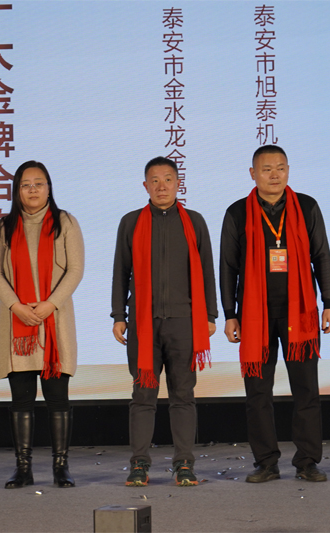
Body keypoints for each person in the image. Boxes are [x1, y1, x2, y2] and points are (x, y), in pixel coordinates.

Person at [220, 144, 330, 483]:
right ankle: (266, 463)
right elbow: (228, 267)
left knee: (306, 390)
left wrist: (329, 303)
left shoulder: (307, 206)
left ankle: (307, 462)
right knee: (258, 394)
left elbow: (322, 256)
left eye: (281, 168)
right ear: (252, 173)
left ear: (288, 170)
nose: (275, 175)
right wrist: (230, 314)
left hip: (300, 312)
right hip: (255, 315)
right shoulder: (237, 212)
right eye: (267, 169)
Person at [111, 156, 218, 487]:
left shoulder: (194, 221)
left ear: (178, 183)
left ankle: (184, 463)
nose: (161, 186)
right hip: (143, 323)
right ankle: (139, 464)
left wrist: (210, 315)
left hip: (184, 322)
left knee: (183, 395)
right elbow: (120, 272)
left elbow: (206, 270)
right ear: (145, 186)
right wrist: (119, 315)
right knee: (143, 396)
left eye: (168, 179)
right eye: (154, 181)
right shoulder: (131, 222)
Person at [0, 160, 84, 489]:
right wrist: (16, 305)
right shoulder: (3, 227)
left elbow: (75, 270)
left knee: (57, 398)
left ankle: (61, 467)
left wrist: (48, 305)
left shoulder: (65, 222)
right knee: (21, 400)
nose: (32, 190)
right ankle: (23, 468)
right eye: (26, 184)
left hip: (54, 321)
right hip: (17, 324)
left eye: (38, 183)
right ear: (17, 190)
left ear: (49, 188)